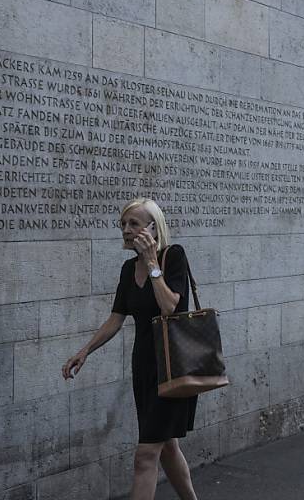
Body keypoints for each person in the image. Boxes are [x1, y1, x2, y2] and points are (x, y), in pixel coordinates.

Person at [62, 198, 199, 500]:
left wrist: (152, 264)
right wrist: (85, 350)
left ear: (153, 228)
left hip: (173, 368)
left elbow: (168, 307)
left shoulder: (172, 256)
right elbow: (116, 318)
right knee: (166, 448)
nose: (125, 230)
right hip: (145, 369)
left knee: (145, 454)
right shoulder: (127, 269)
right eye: (123, 224)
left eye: (133, 224)